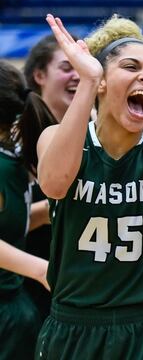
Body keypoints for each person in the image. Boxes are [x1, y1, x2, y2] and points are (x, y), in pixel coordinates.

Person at [35, 0, 143, 358]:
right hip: (76, 325)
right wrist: (87, 81)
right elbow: (53, 184)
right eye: (131, 68)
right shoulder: (58, 136)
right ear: (100, 81)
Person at [22, 32, 82, 318]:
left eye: (80, 67)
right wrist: (50, 209)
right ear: (39, 75)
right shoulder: (17, 138)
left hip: (83, 284)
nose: (77, 75)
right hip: (29, 286)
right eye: (66, 67)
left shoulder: (102, 133)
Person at [0, 61, 54, 360]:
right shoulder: (13, 162)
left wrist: (40, 269)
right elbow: (12, 225)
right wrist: (50, 209)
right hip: (16, 310)